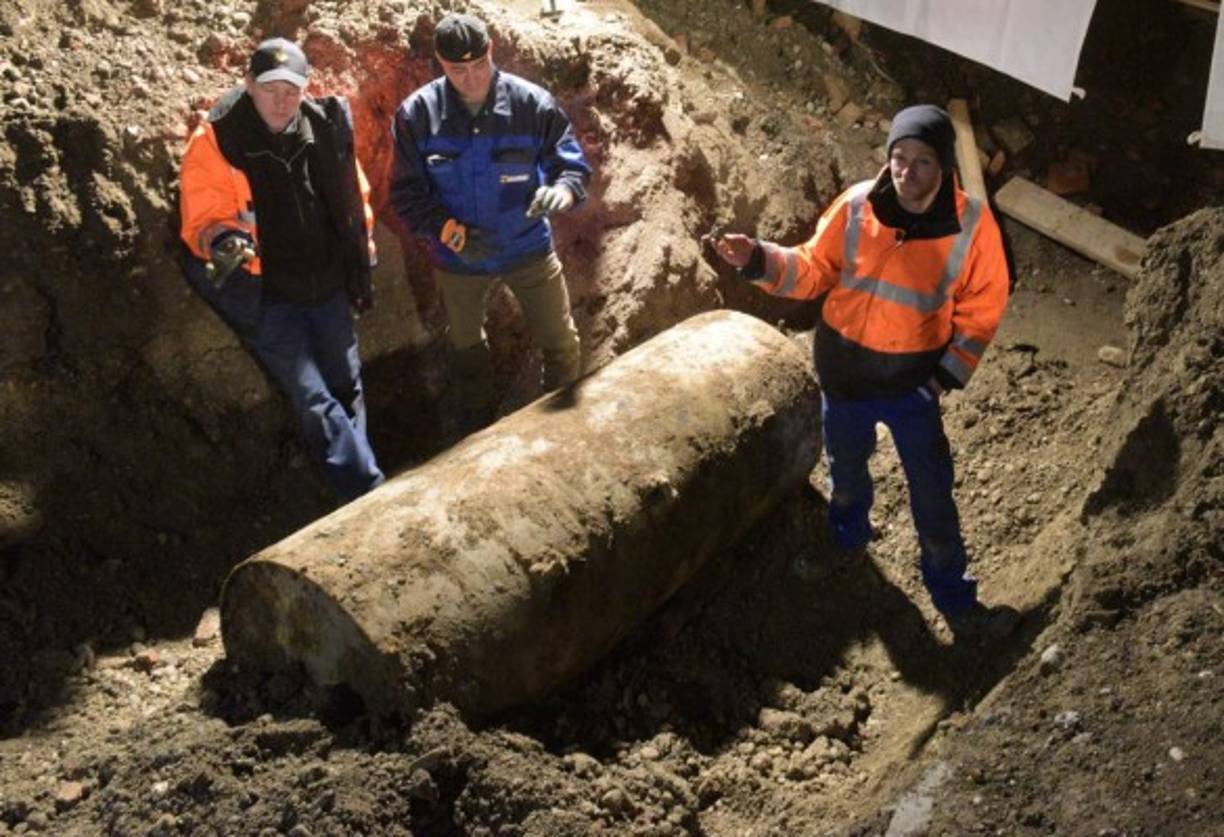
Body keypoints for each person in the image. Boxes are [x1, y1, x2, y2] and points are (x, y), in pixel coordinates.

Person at [708, 104, 1013, 639]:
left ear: (945, 166)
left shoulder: (971, 226)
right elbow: (811, 269)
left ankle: (955, 598)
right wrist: (756, 259)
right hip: (844, 378)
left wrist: (942, 379)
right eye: (899, 157)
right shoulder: (856, 206)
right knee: (845, 473)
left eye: (923, 161)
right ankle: (847, 541)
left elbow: (983, 310)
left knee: (931, 494)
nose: (907, 171)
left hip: (911, 388)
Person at [178, 37, 384, 503]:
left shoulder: (322, 127)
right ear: (249, 84)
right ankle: (367, 490)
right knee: (312, 396)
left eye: (291, 90)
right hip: (267, 293)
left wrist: (360, 254)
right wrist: (223, 240)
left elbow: (354, 200)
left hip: (326, 282)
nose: (281, 101)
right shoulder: (219, 140)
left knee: (345, 384)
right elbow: (204, 217)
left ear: (305, 89)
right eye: (270, 89)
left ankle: (357, 485)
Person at [389, 12, 591, 431]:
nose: (472, 78)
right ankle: (478, 433)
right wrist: (450, 232)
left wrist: (564, 190)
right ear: (441, 64)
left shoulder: (531, 104)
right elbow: (406, 194)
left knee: (562, 345)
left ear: (491, 51)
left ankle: (560, 431)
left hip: (527, 245)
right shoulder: (417, 116)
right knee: (466, 352)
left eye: (479, 64)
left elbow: (570, 164)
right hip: (459, 256)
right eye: (457, 70)